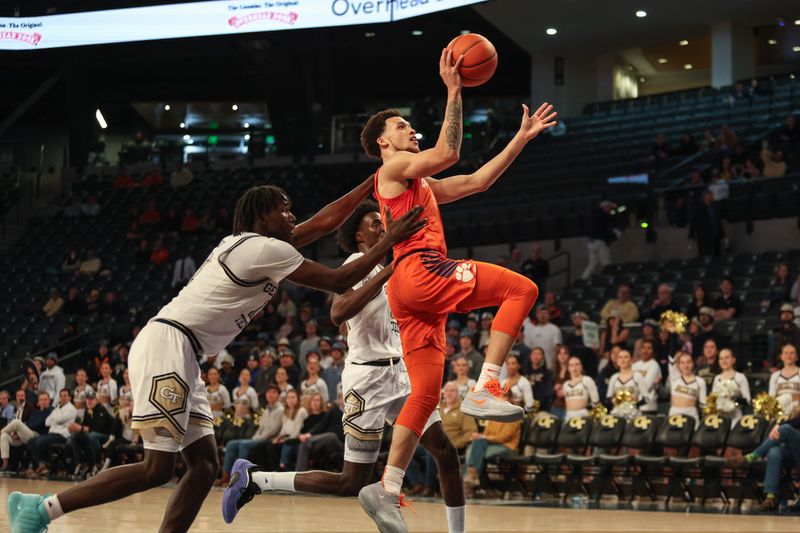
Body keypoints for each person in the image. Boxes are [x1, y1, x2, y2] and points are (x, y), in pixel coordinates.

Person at [8, 175, 424, 531]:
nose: (294, 217)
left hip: (187, 354)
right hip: (170, 343)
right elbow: (339, 280)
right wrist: (391, 243)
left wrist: (372, 181)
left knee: (205, 466)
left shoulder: (259, 246)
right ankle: (43, 509)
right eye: (285, 209)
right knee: (157, 468)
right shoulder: (263, 248)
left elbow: (327, 219)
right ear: (263, 218)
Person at [355, 49, 556, 530]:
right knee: (522, 289)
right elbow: (449, 152)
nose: (410, 130)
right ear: (383, 142)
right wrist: (453, 89)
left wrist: (520, 139)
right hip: (423, 272)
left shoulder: (417, 185)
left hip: (408, 293)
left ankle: (387, 487)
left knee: (423, 393)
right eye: (401, 126)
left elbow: (478, 181)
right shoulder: (391, 172)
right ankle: (486, 384)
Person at [224, 200, 468, 533]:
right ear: (358, 236)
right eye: (374, 223)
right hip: (367, 379)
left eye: (383, 222)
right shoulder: (359, 263)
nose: (382, 226)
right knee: (351, 481)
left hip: (400, 375)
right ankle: (256, 479)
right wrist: (389, 271)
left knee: (445, 450)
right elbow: (338, 313)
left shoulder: (398, 268)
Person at [217, 386, 284, 487]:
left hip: (268, 440)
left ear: (278, 396)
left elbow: (273, 430)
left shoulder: (280, 410)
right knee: (231, 444)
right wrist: (255, 438)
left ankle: (240, 477)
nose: (271, 394)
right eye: (269, 392)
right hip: (258, 438)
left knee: (244, 445)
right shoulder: (266, 410)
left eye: (274, 392)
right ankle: (226, 476)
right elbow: (260, 428)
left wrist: (257, 439)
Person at [462, 396, 522, 497]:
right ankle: (470, 480)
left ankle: (466, 482)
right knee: (475, 446)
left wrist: (484, 437)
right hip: (490, 445)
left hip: (507, 447)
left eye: (503, 400)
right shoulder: (494, 416)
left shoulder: (513, 416)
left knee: (473, 450)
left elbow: (504, 437)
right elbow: (487, 433)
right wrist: (479, 436)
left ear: (509, 401)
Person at [1, 392, 51, 472]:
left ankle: (1, 432)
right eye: (41, 399)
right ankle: (5, 464)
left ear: (49, 401)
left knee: (16, 422)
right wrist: (19, 432)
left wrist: (21, 430)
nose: (43, 401)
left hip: (38, 436)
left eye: (45, 399)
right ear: (38, 401)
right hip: (27, 435)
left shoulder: (49, 412)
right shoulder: (36, 412)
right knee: (4, 435)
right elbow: (29, 423)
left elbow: (38, 424)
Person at [711, 349, 750, 427]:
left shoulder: (740, 377)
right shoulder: (716, 378)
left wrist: (733, 399)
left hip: (735, 418)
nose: (724, 361)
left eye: (727, 358)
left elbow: (747, 400)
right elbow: (713, 399)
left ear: (733, 360)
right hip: (719, 418)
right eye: (721, 358)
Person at [581, 200, 618, 279]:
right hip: (599, 242)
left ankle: (583, 279)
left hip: (590, 242)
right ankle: (610, 279)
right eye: (609, 208)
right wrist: (615, 207)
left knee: (593, 263)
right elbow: (611, 219)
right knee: (607, 263)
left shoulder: (594, 215)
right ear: (605, 208)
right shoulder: (602, 215)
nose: (610, 210)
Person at [668, 353, 706, 428]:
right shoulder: (674, 377)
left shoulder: (700, 381)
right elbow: (671, 356)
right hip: (674, 413)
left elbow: (703, 404)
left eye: (688, 362)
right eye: (682, 362)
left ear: (693, 364)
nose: (686, 365)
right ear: (678, 365)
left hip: (691, 413)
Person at [606, 350, 647, 417]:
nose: (623, 360)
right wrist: (616, 401)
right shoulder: (614, 377)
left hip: (633, 413)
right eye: (620, 357)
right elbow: (608, 398)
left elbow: (646, 398)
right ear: (617, 361)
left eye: (626, 357)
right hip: (617, 413)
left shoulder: (637, 376)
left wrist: (633, 405)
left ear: (631, 360)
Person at [523, 304, 562, 370]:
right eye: (540, 313)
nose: (543, 315)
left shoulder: (555, 329)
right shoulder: (532, 331)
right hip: (534, 367)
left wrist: (556, 366)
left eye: (545, 313)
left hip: (550, 367)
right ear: (537, 315)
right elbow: (528, 350)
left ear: (549, 315)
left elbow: (558, 350)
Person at [563, 356, 599, 421]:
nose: (574, 367)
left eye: (577, 364)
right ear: (568, 368)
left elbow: (595, 401)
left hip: (583, 415)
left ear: (581, 367)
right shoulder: (566, 384)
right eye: (571, 365)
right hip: (568, 416)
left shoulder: (587, 380)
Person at [689, 190, 724, 257]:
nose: (712, 197)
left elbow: (719, 223)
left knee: (717, 257)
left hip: (716, 237)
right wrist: (691, 236)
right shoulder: (699, 208)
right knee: (706, 257)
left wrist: (723, 236)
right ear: (706, 196)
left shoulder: (714, 207)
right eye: (710, 195)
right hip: (705, 239)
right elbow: (693, 222)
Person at [768, 344, 800, 415]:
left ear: (796, 357)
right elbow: (771, 398)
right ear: (781, 357)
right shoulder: (775, 376)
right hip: (780, 413)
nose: (789, 356)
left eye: (792, 353)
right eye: (786, 353)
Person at [632, 340, 661, 415]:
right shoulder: (635, 365)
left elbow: (646, 386)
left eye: (649, 348)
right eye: (644, 348)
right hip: (634, 407)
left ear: (653, 351)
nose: (646, 351)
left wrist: (632, 388)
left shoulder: (654, 365)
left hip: (648, 407)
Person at [769, 303, 800, 368]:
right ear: (780, 316)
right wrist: (772, 366)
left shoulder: (798, 333)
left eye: (789, 313)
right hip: (778, 367)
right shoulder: (775, 333)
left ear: (793, 316)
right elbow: (772, 352)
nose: (786, 315)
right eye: (783, 313)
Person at [526, 346, 554, 412]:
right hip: (526, 407)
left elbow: (548, 391)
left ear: (543, 357)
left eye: (539, 354)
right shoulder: (524, 372)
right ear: (530, 356)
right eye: (534, 354)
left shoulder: (548, 373)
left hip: (542, 407)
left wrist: (538, 403)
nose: (536, 356)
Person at [551, 345, 571, 419]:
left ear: (569, 355)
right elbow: (547, 392)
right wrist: (554, 389)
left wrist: (565, 390)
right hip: (555, 407)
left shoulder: (572, 371)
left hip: (568, 407)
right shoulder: (552, 372)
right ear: (557, 356)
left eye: (565, 353)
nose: (562, 356)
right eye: (560, 353)